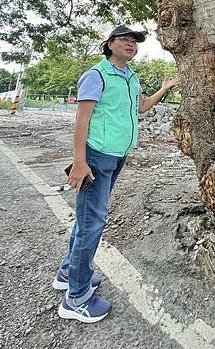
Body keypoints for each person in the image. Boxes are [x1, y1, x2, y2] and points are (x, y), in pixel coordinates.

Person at [53, 25, 180, 323]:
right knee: (92, 223)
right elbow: (81, 122)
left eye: (134, 42)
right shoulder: (96, 76)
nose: (131, 45)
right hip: (96, 158)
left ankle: (69, 271)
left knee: (88, 220)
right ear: (109, 45)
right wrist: (80, 162)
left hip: (116, 157)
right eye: (124, 40)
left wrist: (164, 89)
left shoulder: (129, 77)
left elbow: (141, 108)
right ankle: (76, 297)